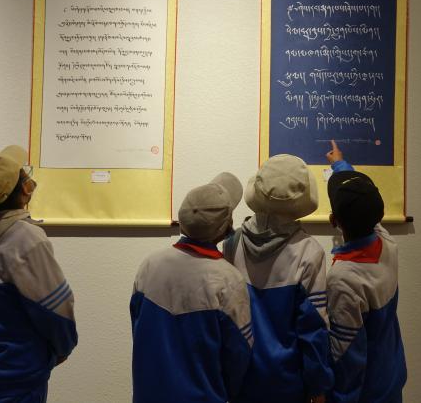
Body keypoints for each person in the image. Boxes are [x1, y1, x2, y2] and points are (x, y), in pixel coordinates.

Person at [0, 145, 77, 402]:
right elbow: (57, 308)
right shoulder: (26, 237)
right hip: (20, 377)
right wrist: (63, 347)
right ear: (22, 190)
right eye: (26, 179)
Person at [130, 173, 253, 403]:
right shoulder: (228, 280)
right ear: (225, 226)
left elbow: (138, 331)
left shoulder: (149, 265)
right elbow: (238, 354)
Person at [224, 154, 333, 403]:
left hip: (240, 379)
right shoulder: (308, 251)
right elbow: (313, 328)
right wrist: (318, 388)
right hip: (287, 383)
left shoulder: (232, 243)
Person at [325, 140, 406, 402]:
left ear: (333, 221)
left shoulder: (343, 278)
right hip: (390, 380)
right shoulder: (386, 244)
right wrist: (340, 165)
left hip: (364, 394)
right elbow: (364, 203)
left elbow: (346, 354)